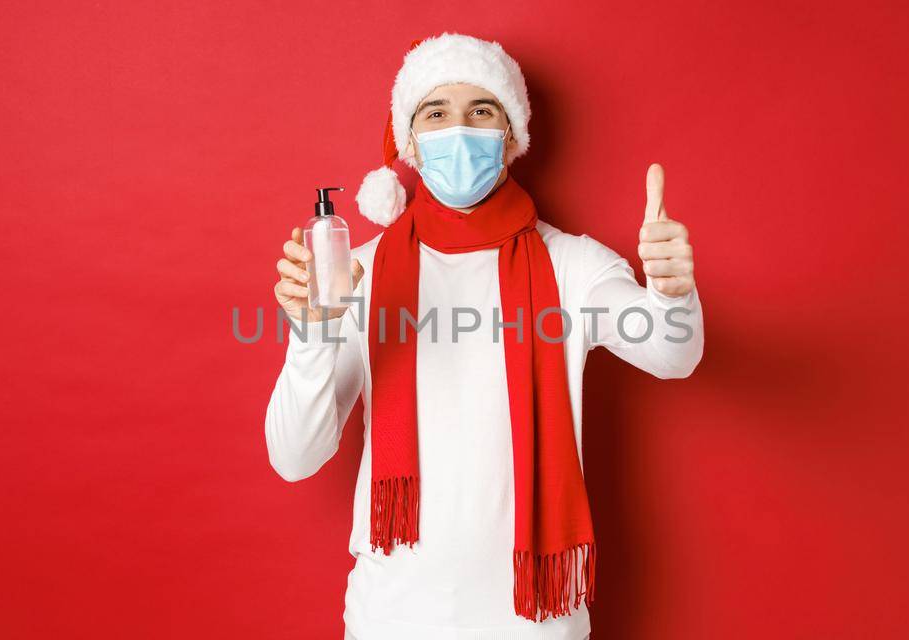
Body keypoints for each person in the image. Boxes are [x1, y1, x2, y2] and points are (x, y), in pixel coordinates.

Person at [263, 32, 704, 640]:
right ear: (410, 140)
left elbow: (672, 354)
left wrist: (673, 291)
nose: (459, 130)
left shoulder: (571, 265)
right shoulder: (352, 274)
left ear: (512, 136)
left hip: (534, 622)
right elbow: (294, 456)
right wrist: (312, 329)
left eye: (481, 111)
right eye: (436, 112)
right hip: (392, 614)